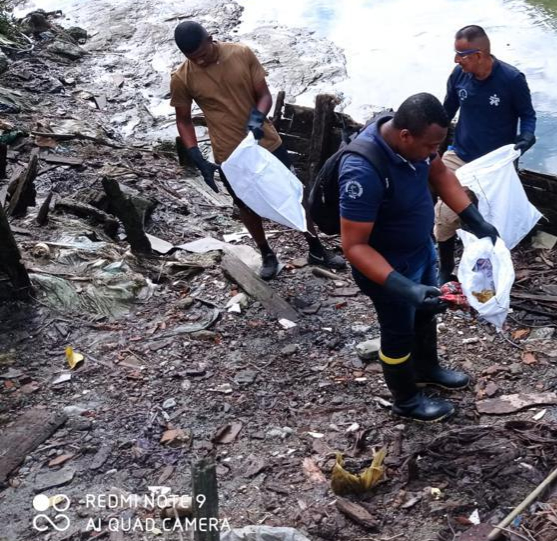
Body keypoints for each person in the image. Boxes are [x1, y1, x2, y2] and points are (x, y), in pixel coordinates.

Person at [339, 93, 499, 422]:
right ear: (405, 136)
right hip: (386, 267)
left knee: (426, 313)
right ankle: (406, 401)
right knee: (398, 331)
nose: (433, 154)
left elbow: (440, 174)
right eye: (429, 147)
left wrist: (474, 219)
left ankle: (426, 368)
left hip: (419, 251)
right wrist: (403, 287)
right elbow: (353, 246)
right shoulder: (362, 171)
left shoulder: (419, 147)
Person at [170, 21, 346, 279]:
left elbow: (264, 94)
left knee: (293, 194)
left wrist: (257, 118)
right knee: (245, 205)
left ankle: (315, 248)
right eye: (193, 59)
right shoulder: (182, 78)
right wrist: (195, 154)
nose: (201, 62)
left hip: (265, 142)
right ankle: (266, 253)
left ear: (211, 38)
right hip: (229, 154)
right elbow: (183, 119)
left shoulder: (241, 53)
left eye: (204, 55)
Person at [436, 24, 537, 280]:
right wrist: (428, 142)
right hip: (460, 156)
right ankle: (445, 270)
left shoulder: (511, 80)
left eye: (462, 55)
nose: (456, 60)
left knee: (493, 222)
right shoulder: (459, 76)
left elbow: (527, 115)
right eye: (455, 54)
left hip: (496, 165)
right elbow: (446, 113)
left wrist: (527, 135)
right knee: (446, 216)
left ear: (479, 54)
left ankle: (488, 273)